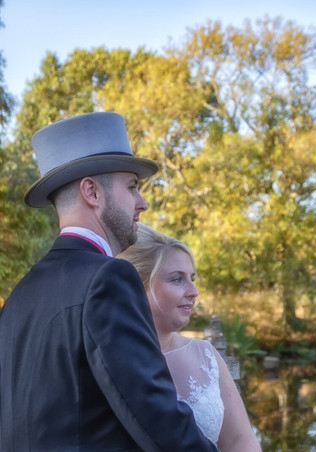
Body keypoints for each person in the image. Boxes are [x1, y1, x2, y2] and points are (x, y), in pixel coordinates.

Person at [0, 112, 218, 451]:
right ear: (92, 191)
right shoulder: (108, 279)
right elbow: (156, 416)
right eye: (131, 187)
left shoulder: (19, 296)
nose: (141, 203)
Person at [118, 223, 262, 452]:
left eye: (192, 278)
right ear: (137, 285)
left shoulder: (206, 355)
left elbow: (240, 441)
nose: (193, 291)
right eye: (177, 279)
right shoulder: (108, 358)